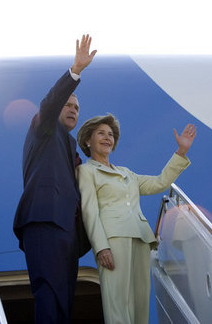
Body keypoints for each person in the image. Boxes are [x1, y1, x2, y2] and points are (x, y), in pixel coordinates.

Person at [76, 114, 196, 324]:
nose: (107, 138)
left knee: (140, 300)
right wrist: (101, 247)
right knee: (117, 301)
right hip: (113, 239)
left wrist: (181, 152)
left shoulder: (126, 173)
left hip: (140, 237)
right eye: (101, 133)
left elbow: (159, 182)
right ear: (88, 140)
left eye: (111, 135)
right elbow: (89, 210)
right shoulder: (86, 171)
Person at [13, 34, 97, 324]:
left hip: (68, 233)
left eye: (77, 108)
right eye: (68, 105)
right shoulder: (44, 128)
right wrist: (75, 71)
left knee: (64, 300)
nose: (73, 109)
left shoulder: (70, 147)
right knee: (49, 294)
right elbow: (50, 103)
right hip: (44, 221)